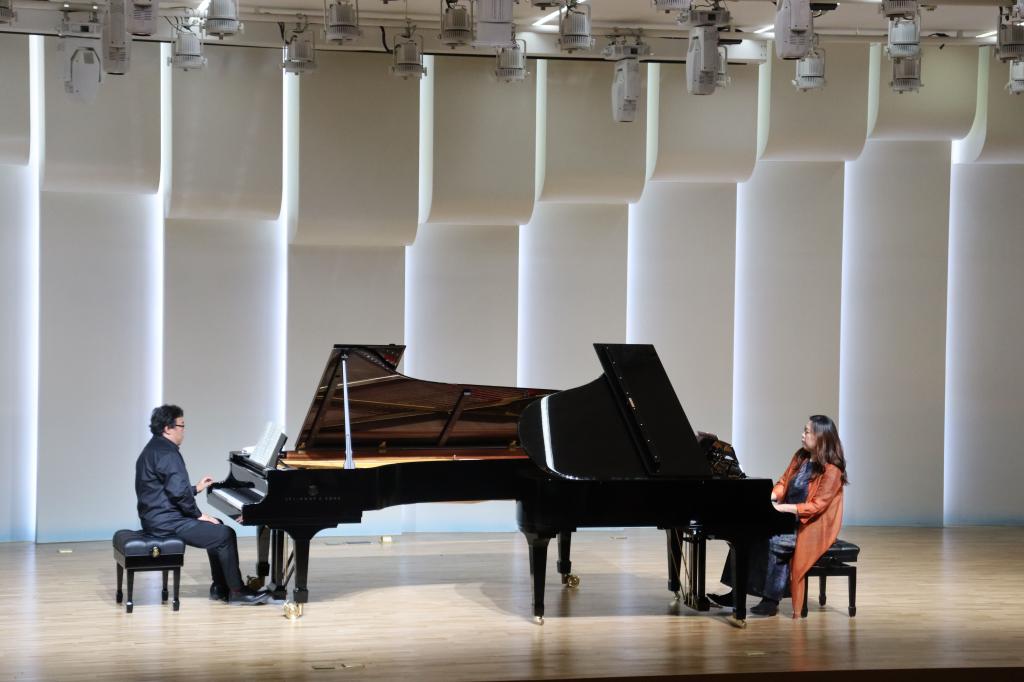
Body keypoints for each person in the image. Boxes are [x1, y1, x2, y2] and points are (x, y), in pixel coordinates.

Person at [709, 414, 848, 618]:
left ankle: (771, 600)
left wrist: (784, 509)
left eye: (807, 432)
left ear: (821, 437)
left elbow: (816, 506)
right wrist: (770, 496)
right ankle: (736, 592)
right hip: (788, 519)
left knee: (775, 541)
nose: (802, 435)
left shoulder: (832, 470)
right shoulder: (800, 457)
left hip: (811, 527)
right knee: (744, 532)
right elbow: (783, 483)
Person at [135, 404, 268, 605]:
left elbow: (165, 490)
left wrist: (196, 488)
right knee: (224, 534)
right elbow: (178, 493)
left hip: (155, 518)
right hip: (166, 522)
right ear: (168, 428)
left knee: (217, 526)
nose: (184, 431)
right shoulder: (168, 454)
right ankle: (237, 591)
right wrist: (198, 515)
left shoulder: (153, 448)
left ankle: (219, 587)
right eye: (181, 425)